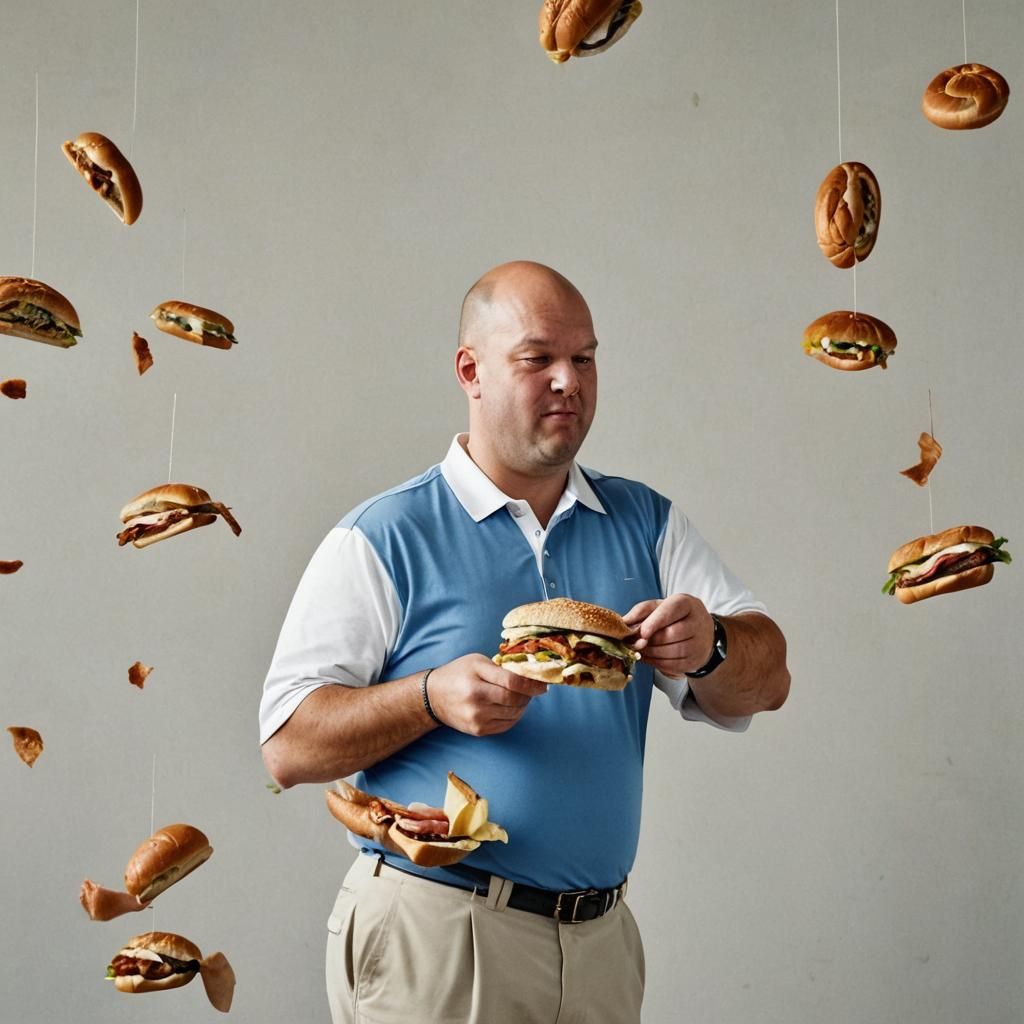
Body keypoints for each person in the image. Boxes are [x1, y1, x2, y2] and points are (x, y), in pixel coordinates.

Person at [260, 260, 790, 1024]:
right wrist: (430, 697)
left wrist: (712, 647)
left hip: (601, 943)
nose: (568, 381)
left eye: (585, 358)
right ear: (470, 371)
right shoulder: (384, 534)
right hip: (436, 936)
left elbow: (770, 681)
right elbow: (286, 746)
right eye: (538, 358)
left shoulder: (648, 522)